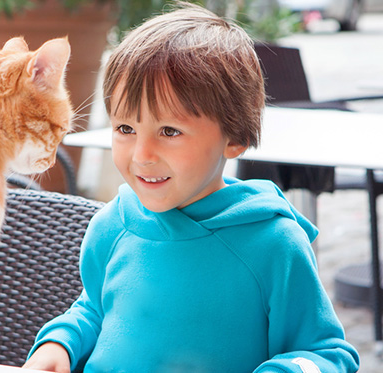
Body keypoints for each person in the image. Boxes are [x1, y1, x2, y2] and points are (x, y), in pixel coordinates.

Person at [21, 4, 360, 372]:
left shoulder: (274, 244)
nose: (142, 155)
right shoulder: (111, 226)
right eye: (125, 129)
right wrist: (61, 343)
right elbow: (93, 310)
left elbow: (327, 353)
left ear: (236, 137)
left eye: (169, 131)